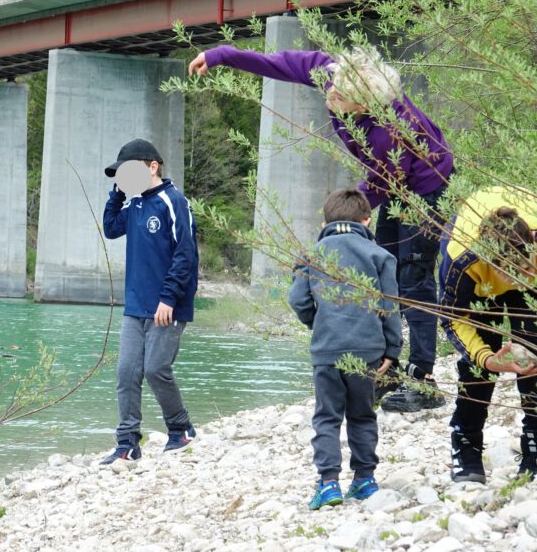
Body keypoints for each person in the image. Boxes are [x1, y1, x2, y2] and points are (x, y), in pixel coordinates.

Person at [191, 44, 454, 413]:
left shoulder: (386, 131)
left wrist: (339, 217)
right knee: (381, 275)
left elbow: (381, 184)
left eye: (341, 96)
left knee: (412, 279)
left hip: (426, 187)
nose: (331, 94)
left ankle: (425, 380)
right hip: (395, 181)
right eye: (333, 87)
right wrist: (222, 56)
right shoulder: (333, 75)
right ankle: (387, 372)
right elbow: (278, 63)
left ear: (364, 105)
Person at [288, 188, 403, 509]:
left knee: (326, 417)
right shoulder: (380, 256)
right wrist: (392, 350)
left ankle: (328, 485)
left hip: (327, 349)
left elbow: (298, 301)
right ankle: (364, 480)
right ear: (367, 220)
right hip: (368, 351)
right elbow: (389, 307)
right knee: (363, 415)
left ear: (324, 221)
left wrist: (319, 321)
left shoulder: (311, 255)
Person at [100, 138, 199, 464]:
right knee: (127, 372)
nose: (122, 179)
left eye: (127, 173)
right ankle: (127, 443)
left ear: (152, 166)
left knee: (156, 369)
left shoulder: (174, 202)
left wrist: (169, 297)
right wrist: (117, 192)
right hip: (135, 306)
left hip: (167, 304)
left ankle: (180, 429)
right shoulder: (133, 204)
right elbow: (111, 229)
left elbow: (185, 254)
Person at [439, 189, 537, 483]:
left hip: (532, 278)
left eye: (516, 269)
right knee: (476, 368)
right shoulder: (461, 261)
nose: (510, 278)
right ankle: (466, 448)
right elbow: (454, 321)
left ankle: (534, 446)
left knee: (533, 353)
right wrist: (488, 360)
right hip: (480, 288)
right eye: (502, 271)